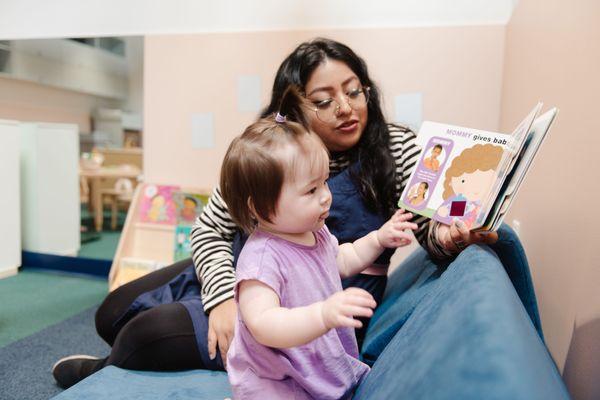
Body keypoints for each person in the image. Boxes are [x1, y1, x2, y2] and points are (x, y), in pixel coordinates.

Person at [52, 37, 498, 389]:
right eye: (323, 100)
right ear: (294, 107)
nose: (345, 108)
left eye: (353, 91)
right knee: (110, 313)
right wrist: (224, 299)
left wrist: (451, 236)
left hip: (305, 307)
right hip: (248, 275)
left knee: (143, 334)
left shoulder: (397, 147)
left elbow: (424, 227)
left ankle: (106, 368)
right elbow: (210, 229)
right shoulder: (274, 151)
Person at [220, 99, 417, 398]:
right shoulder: (262, 259)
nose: (326, 197)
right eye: (311, 190)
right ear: (259, 206)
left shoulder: (316, 231)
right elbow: (263, 323)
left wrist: (378, 239)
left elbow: (341, 259)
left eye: (324, 182)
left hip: (314, 361)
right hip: (275, 382)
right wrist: (323, 315)